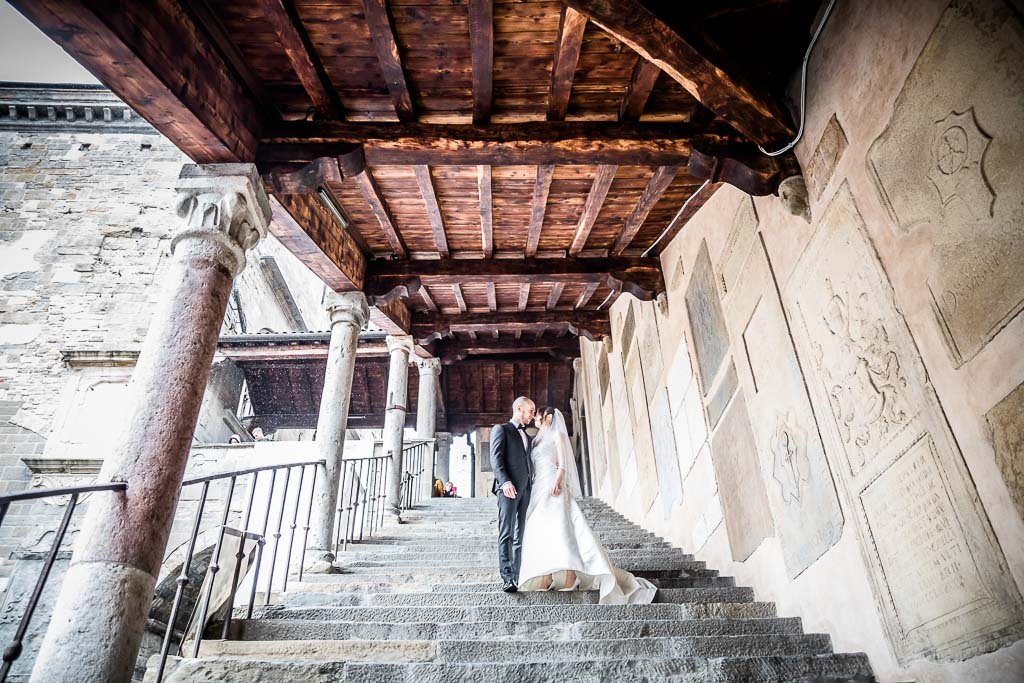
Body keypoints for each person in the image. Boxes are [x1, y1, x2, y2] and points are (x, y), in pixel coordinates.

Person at [517, 406, 656, 605]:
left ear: (548, 417)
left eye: (537, 416)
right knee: (542, 530)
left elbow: (562, 464)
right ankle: (546, 577)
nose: (534, 419)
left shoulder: (558, 435)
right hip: (538, 487)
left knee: (562, 529)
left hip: (553, 485)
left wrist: (558, 481)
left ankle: (571, 576)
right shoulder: (536, 440)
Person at [490, 396, 535, 593]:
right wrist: (505, 481)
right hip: (508, 489)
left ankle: (518, 575)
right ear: (519, 409)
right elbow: (496, 459)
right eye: (531, 411)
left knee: (521, 534)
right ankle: (507, 577)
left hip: (526, 490)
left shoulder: (528, 436)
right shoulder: (501, 429)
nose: (533, 415)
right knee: (506, 532)